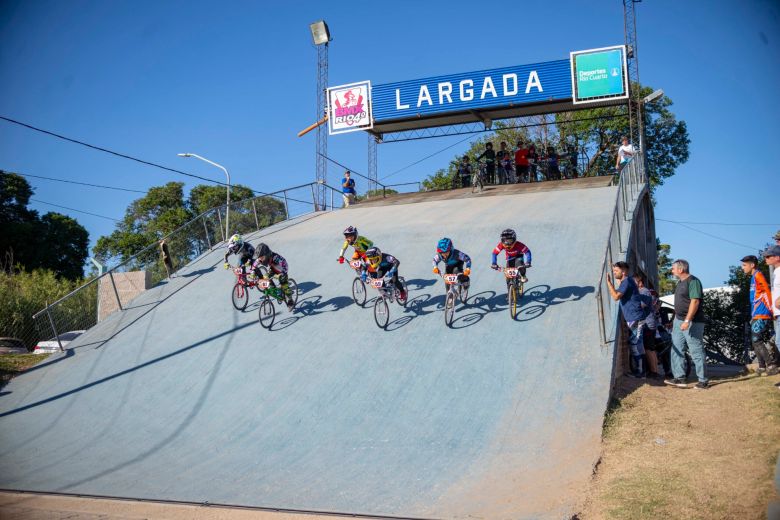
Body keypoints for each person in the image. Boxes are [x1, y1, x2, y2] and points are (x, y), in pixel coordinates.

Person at [665, 259, 709, 389]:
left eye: (673, 268)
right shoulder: (679, 283)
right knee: (676, 349)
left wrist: (687, 321)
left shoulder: (693, 281)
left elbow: (694, 302)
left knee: (696, 349)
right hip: (679, 320)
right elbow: (679, 304)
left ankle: (703, 381)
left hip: (692, 321)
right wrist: (673, 320)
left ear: (681, 269)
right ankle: (679, 378)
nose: (671, 271)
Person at [606, 263, 650, 378]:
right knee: (636, 344)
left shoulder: (627, 282)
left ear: (624, 272)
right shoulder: (627, 281)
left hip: (636, 318)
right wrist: (614, 265)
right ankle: (640, 371)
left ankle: (641, 372)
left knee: (635, 344)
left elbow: (616, 296)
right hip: (633, 317)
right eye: (614, 270)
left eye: (616, 271)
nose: (614, 272)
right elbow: (620, 286)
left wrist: (609, 283)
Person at [741, 255, 779, 375]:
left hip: (762, 313)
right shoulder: (753, 277)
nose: (743, 268)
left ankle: (771, 365)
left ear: (752, 265)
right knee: (755, 340)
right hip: (756, 314)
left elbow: (767, 293)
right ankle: (762, 367)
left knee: (757, 340)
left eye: (744, 265)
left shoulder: (758, 275)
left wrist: (771, 310)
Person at [253, 242, 295, 311]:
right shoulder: (261, 258)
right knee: (266, 277)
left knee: (284, 284)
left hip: (282, 270)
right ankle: (275, 290)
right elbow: (255, 264)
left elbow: (285, 265)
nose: (260, 259)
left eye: (262, 257)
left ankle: (290, 300)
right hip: (273, 269)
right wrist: (252, 272)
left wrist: (283, 273)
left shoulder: (275, 257)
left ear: (266, 255)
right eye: (259, 258)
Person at [635, 275, 661, 378]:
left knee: (649, 349)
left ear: (640, 282)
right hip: (650, 322)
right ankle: (654, 371)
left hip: (648, 323)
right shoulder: (644, 291)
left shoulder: (643, 291)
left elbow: (640, 305)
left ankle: (654, 372)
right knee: (651, 348)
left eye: (634, 283)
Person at [765, 245, 780, 351]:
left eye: (768, 256)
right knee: (778, 342)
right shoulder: (776, 271)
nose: (766, 258)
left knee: (779, 342)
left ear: (777, 257)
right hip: (778, 313)